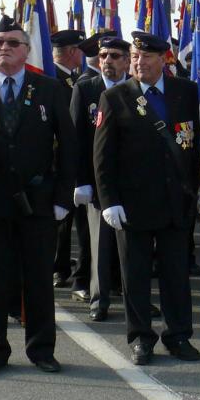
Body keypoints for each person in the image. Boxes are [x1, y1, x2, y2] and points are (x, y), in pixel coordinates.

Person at [0, 16, 77, 375]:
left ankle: (42, 349)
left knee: (39, 279)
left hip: (38, 199)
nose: (4, 48)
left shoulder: (50, 89)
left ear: (27, 51)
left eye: (12, 43)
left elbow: (69, 148)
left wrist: (63, 198)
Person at [94, 31, 200, 365]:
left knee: (176, 275)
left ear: (164, 59)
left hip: (178, 200)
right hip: (133, 203)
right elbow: (102, 156)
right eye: (134, 56)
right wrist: (109, 200)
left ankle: (178, 335)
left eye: (146, 56)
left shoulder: (187, 93)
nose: (138, 62)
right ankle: (141, 338)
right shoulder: (116, 97)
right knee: (136, 275)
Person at [68, 35, 130, 320]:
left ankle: (133, 298)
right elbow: (76, 139)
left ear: (128, 60)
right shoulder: (85, 89)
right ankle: (98, 298)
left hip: (133, 181)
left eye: (115, 56)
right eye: (103, 56)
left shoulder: (136, 89)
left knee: (133, 247)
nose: (108, 61)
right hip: (98, 182)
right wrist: (80, 180)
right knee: (100, 244)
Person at [50, 28, 88, 289]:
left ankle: (62, 265)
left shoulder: (73, 80)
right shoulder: (51, 80)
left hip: (71, 158)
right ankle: (56, 267)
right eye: (80, 49)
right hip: (54, 160)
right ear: (72, 52)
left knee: (69, 219)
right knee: (58, 219)